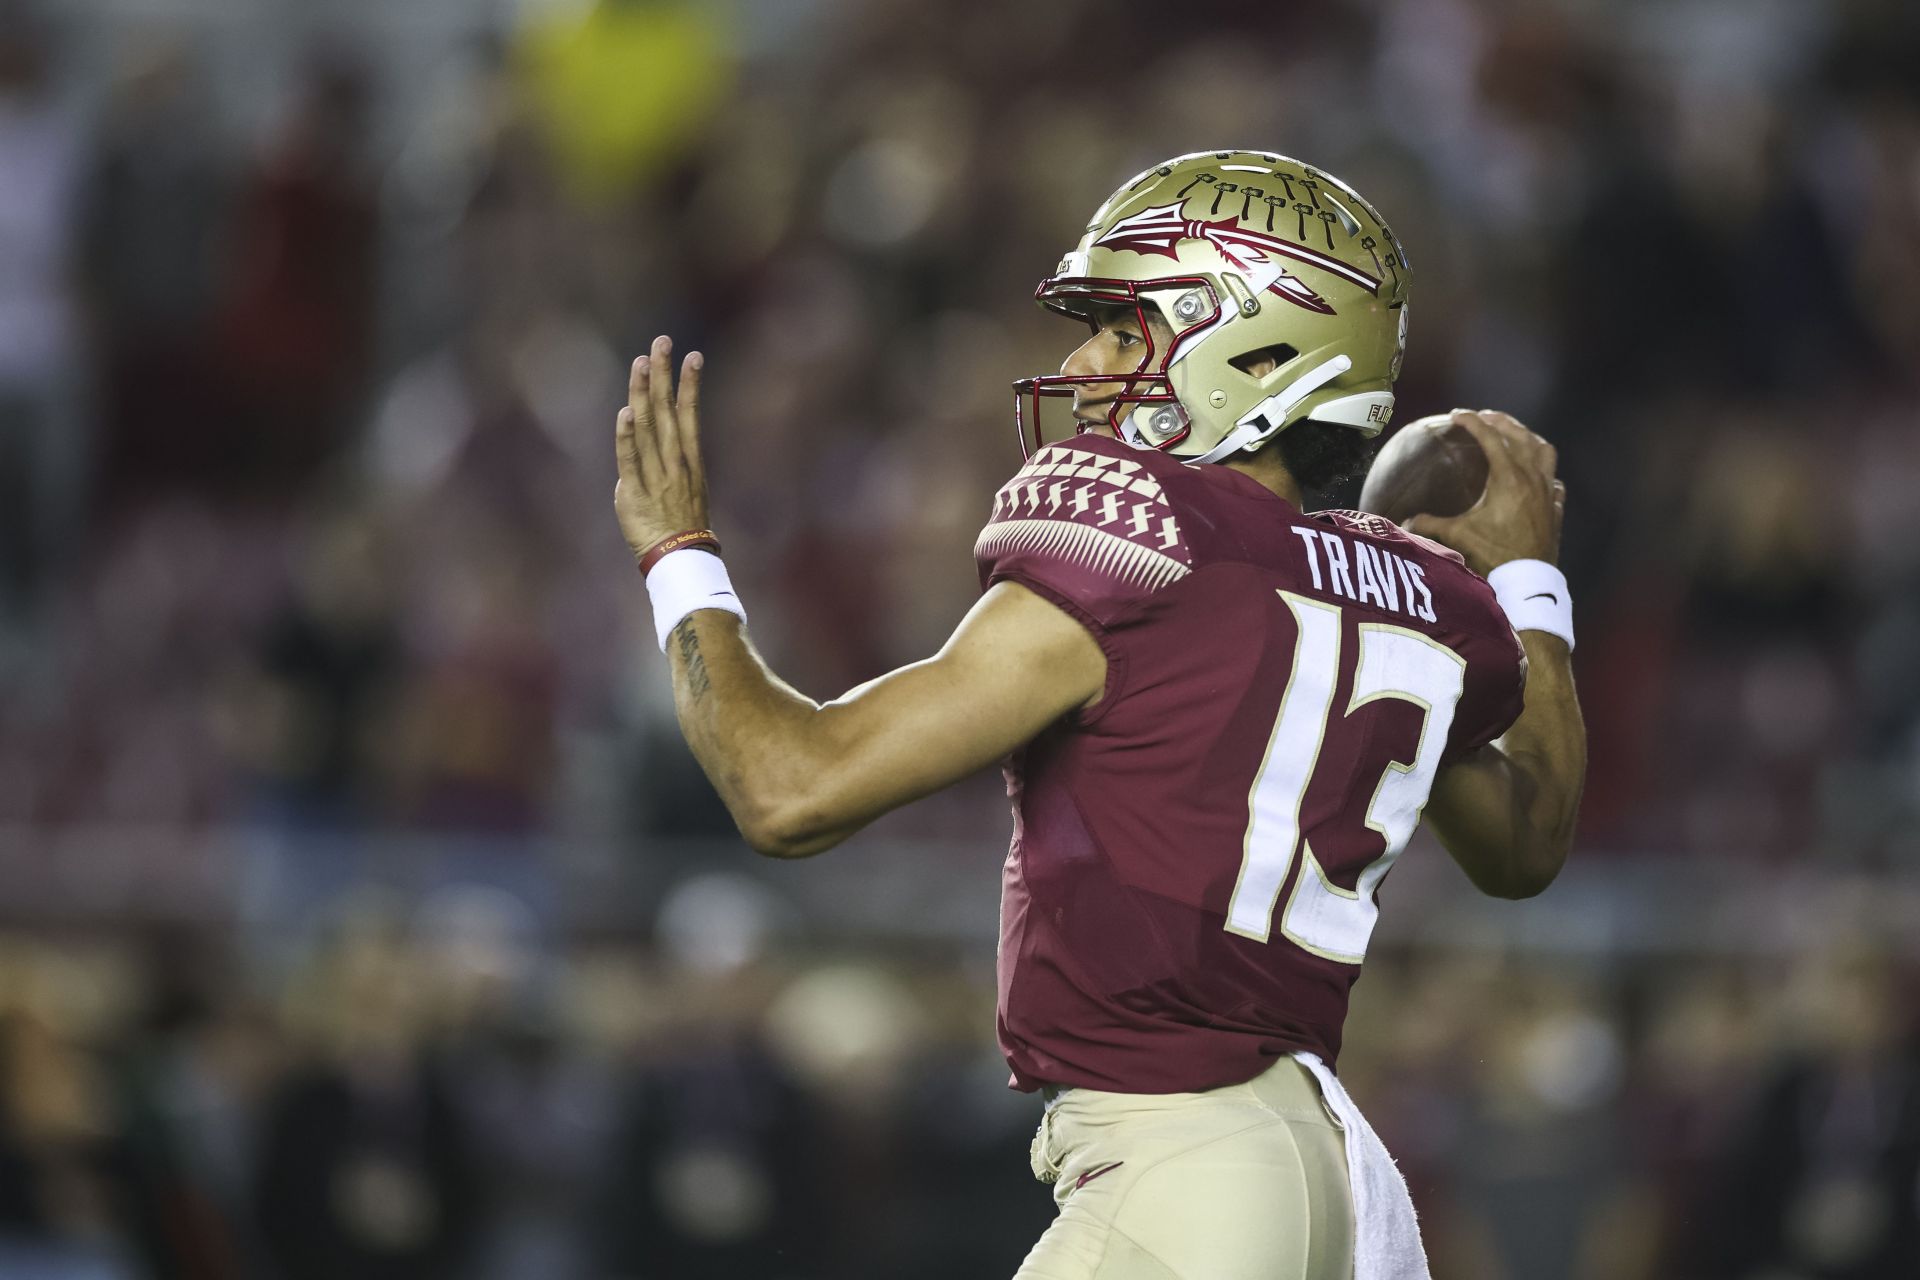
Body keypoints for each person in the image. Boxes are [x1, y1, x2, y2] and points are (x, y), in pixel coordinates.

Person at [611, 150, 1586, 1280]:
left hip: (1185, 1168)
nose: (1082, 363)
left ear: (1258, 350)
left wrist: (678, 556)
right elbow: (1529, 840)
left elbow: (789, 787)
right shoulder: (1414, 599)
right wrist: (1530, 591)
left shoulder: (1148, 549)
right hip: (1327, 1180)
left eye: (1125, 332)